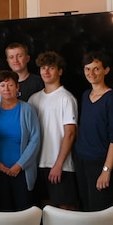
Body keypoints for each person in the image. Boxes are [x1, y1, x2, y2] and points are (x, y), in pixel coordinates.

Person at [0, 71, 42, 211]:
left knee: (23, 211)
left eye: (10, 85)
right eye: (2, 85)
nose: (6, 89)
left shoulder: (27, 109)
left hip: (21, 170)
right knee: (2, 211)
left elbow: (35, 139)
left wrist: (20, 165)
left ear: (17, 87)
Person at [27, 51, 79, 209]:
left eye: (51, 67)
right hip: (38, 164)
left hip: (60, 165)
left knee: (64, 209)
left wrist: (58, 164)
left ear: (60, 71)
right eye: (43, 68)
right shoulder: (34, 99)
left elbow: (70, 134)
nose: (46, 71)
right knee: (45, 208)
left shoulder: (66, 98)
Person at [73, 52, 113, 211]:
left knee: (99, 211)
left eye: (96, 69)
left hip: (101, 162)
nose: (91, 73)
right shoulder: (85, 95)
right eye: (87, 69)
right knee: (86, 208)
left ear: (106, 70)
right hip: (82, 160)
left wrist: (106, 170)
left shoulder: (112, 98)